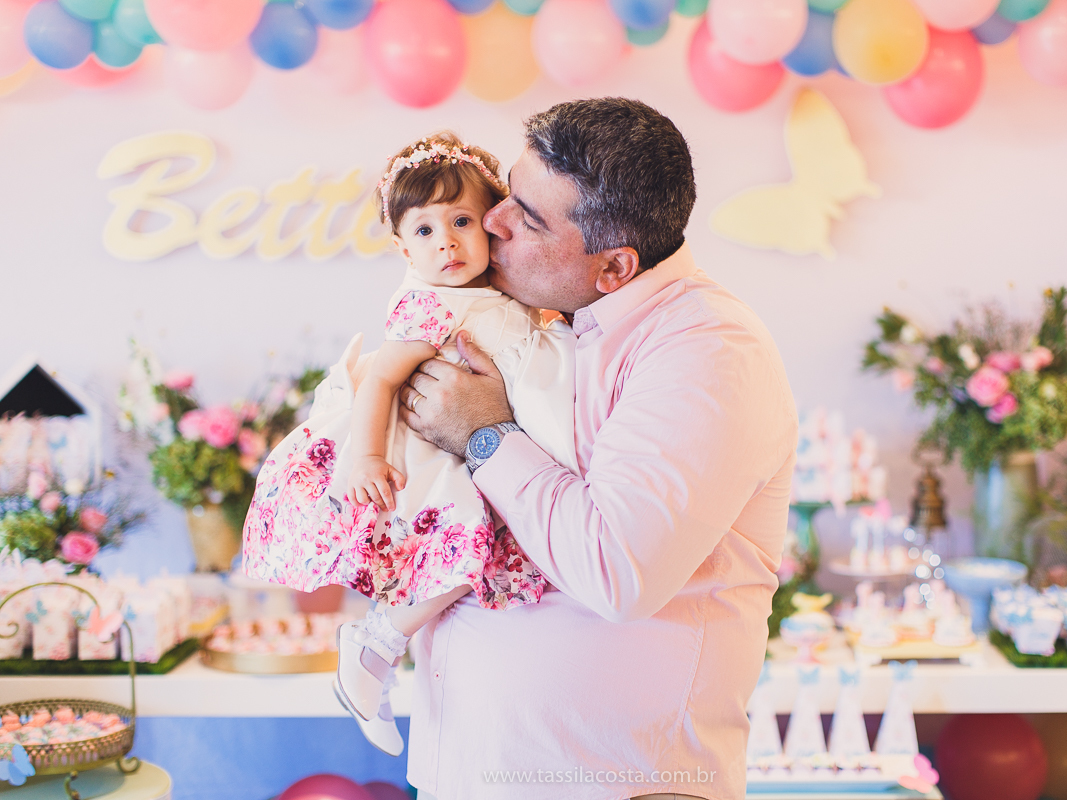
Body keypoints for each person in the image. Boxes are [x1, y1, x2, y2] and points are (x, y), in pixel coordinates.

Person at [397, 98, 800, 800]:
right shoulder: (548, 320)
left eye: (526, 215)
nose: (491, 219)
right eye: (508, 192)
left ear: (614, 267)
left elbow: (618, 569)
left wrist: (485, 436)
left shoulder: (706, 349)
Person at [241, 131, 576, 757]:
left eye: (460, 221)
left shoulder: (497, 295)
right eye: (423, 231)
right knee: (469, 552)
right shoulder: (431, 305)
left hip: (478, 447)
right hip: (432, 456)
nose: (445, 241)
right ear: (401, 247)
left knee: (479, 554)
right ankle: (377, 643)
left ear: (495, 224)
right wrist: (365, 456)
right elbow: (382, 377)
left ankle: (379, 649)